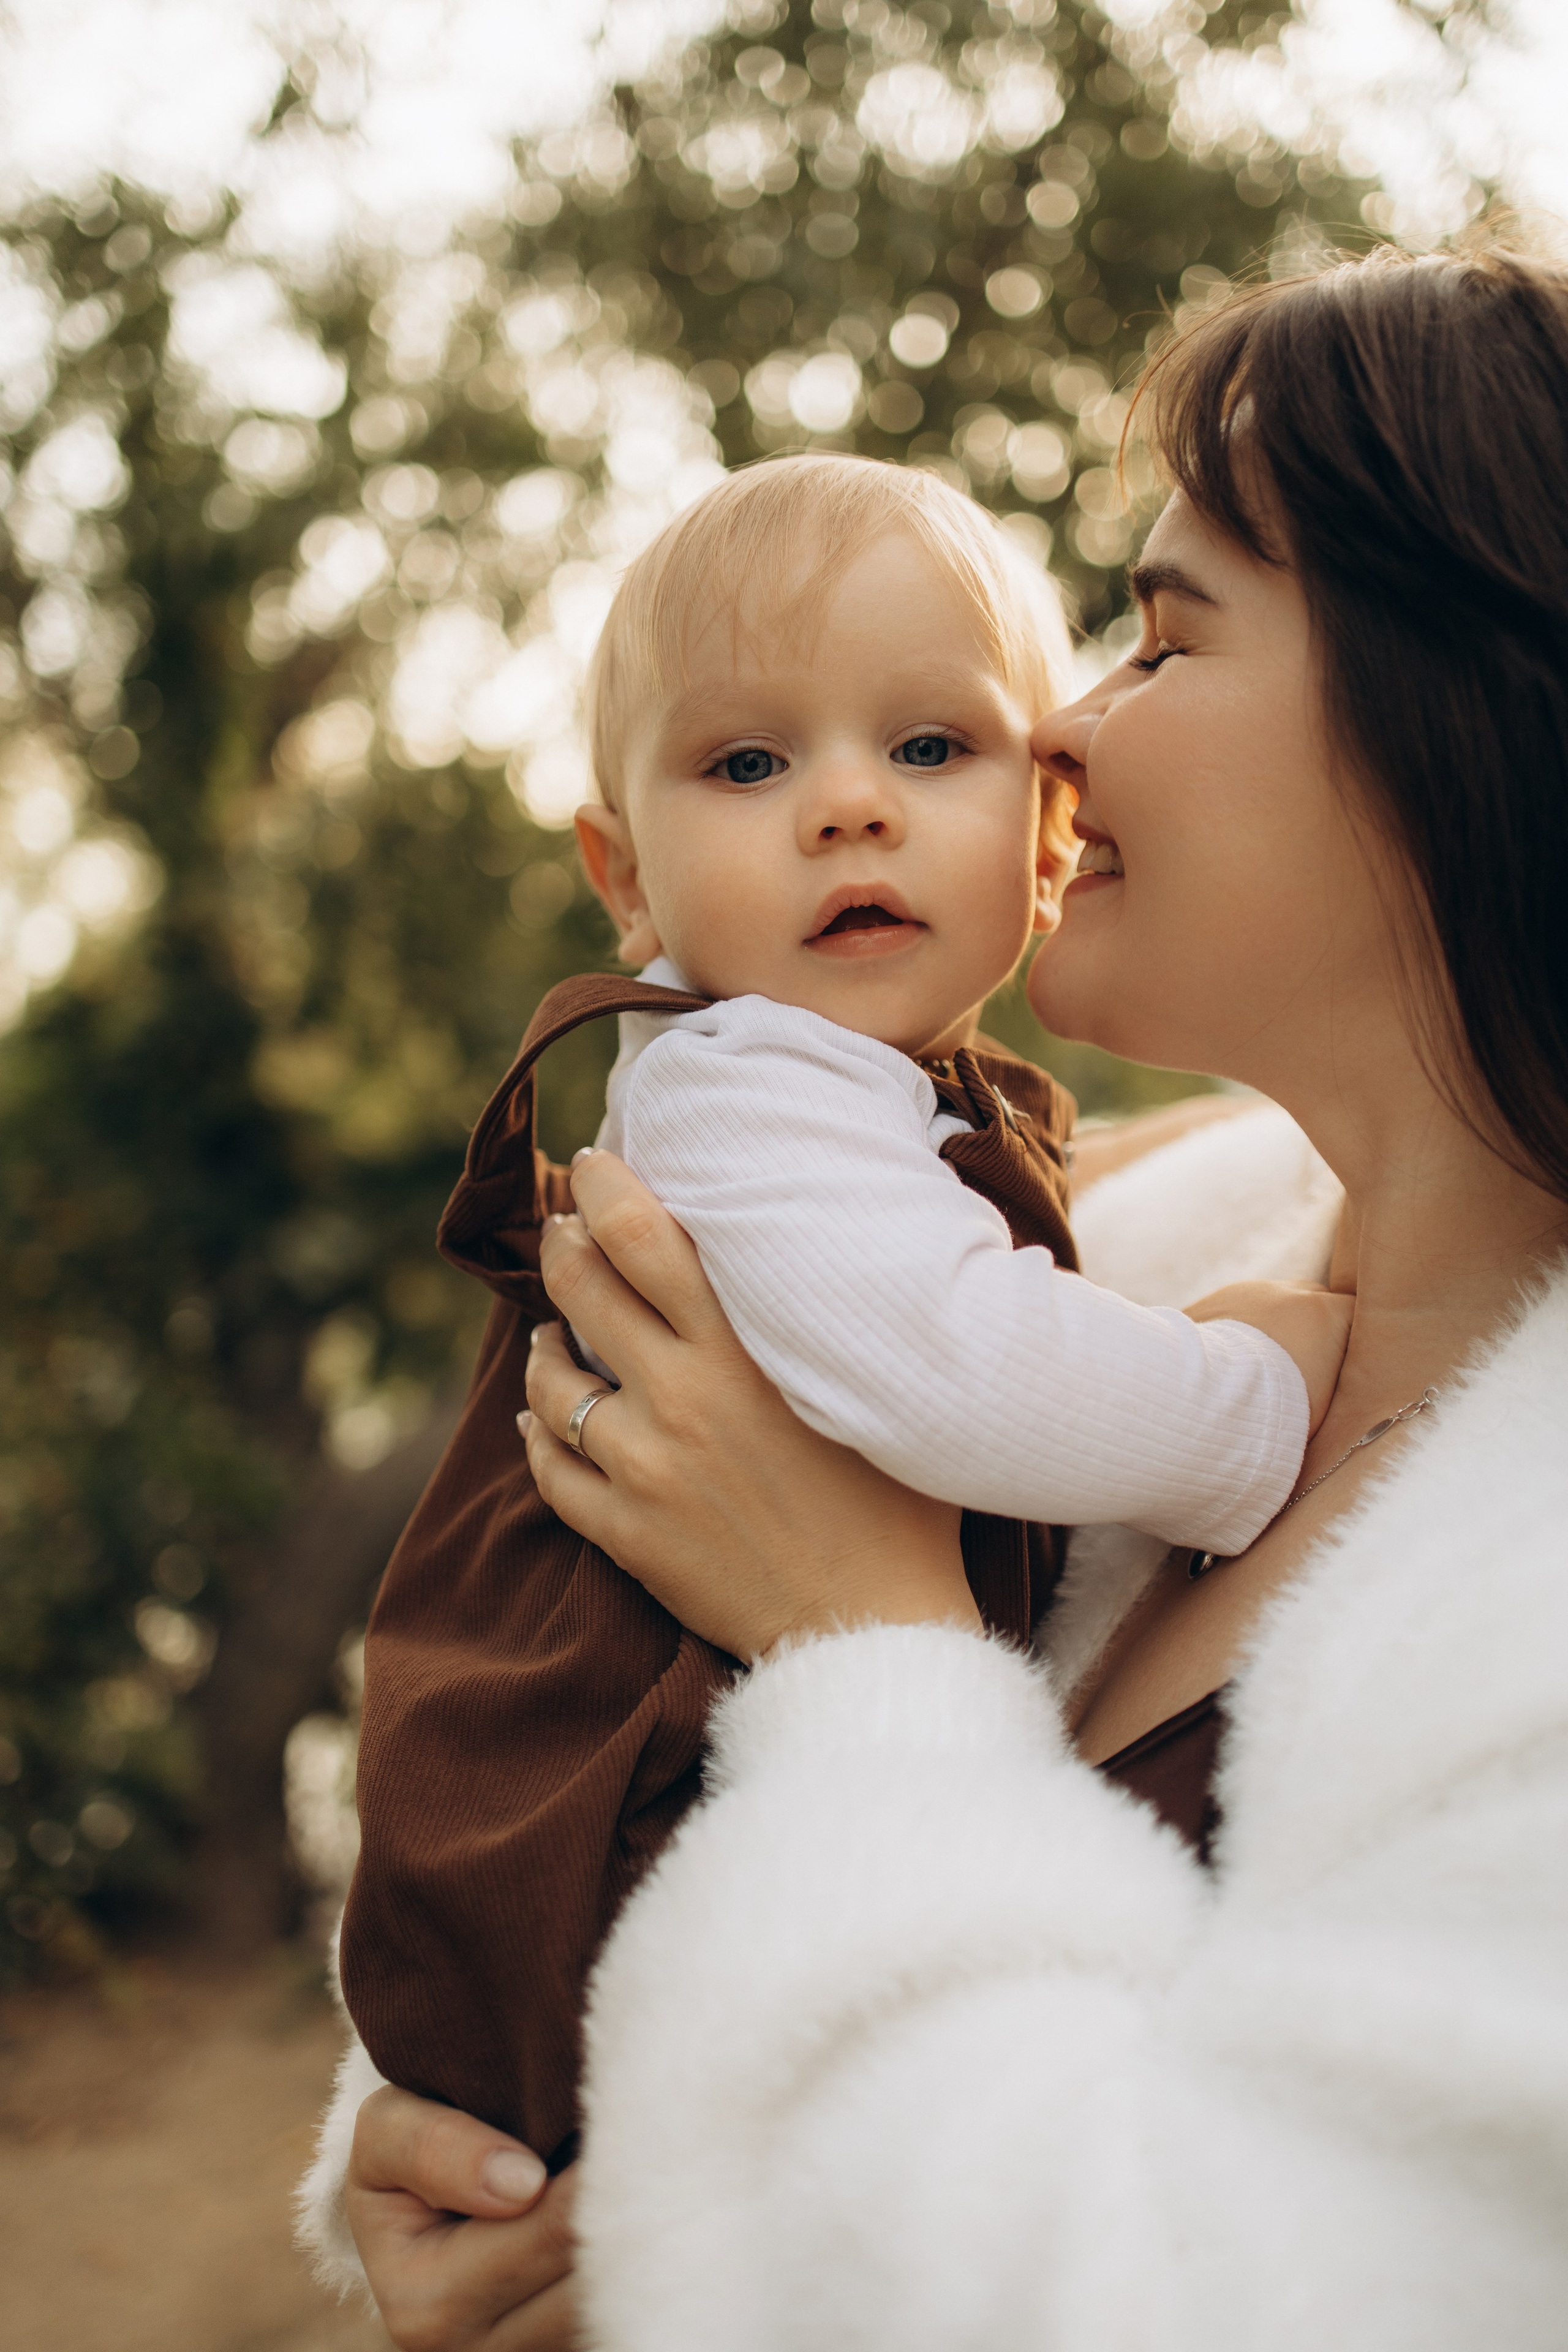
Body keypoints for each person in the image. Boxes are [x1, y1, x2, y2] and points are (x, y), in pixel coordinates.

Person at [302, 243, 1568, 2350]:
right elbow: (602, 1714)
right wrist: (483, 2151)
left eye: (1164, 643)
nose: (1060, 725)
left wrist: (861, 1640)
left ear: (1465, 717)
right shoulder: (1125, 1255)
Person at [336, 456, 1345, 2164]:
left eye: (932, 748)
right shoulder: (751, 1092)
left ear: (1047, 841)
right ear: (626, 878)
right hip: (612, 1829)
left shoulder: (881, 1104)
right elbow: (967, 1369)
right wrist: (1248, 1408)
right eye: (747, 762)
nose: (847, 806)